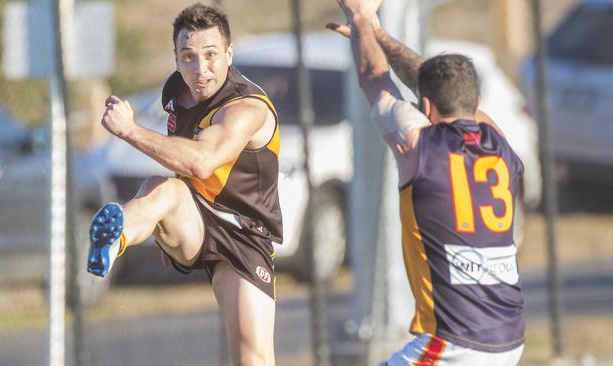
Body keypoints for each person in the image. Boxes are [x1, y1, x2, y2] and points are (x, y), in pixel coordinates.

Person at [328, 1, 525, 365]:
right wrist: (378, 33)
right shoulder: (501, 144)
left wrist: (360, 19)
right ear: (475, 99)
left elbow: (375, 77)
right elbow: (430, 82)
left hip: (455, 342)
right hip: (510, 336)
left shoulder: (419, 144)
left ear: (427, 105)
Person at [86, 3, 282, 365]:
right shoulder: (177, 93)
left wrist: (128, 129)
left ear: (229, 53)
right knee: (165, 189)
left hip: (244, 237)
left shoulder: (246, 108)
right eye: (188, 57)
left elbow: (200, 161)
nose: (201, 69)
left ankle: (128, 229)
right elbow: (184, 172)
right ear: (176, 58)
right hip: (195, 218)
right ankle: (116, 237)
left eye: (210, 55)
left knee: (252, 358)